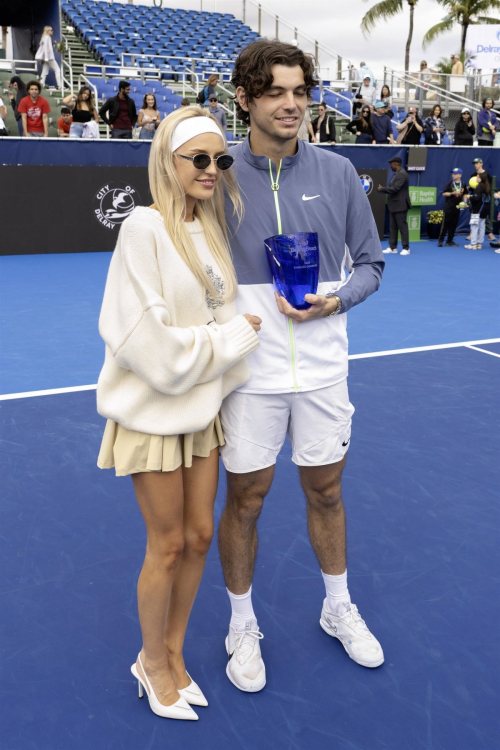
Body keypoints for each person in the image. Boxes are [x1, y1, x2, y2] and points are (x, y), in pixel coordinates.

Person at [217, 39, 385, 694]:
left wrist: (335, 299)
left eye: (299, 91)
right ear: (245, 98)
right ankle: (240, 622)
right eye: (274, 92)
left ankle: (336, 605)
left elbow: (372, 266)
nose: (291, 104)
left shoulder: (340, 173)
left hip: (322, 372)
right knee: (247, 500)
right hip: (247, 377)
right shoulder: (219, 172)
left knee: (326, 492)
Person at [96, 107, 261, 719]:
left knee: (197, 538)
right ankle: (150, 660)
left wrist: (229, 336)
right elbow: (149, 345)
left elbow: (221, 314)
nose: (213, 170)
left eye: (222, 160)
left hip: (201, 414)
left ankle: (173, 650)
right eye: (200, 159)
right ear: (169, 162)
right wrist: (231, 341)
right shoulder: (144, 227)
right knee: (165, 545)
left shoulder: (209, 228)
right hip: (153, 417)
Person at [378, 156, 411, 255]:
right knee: (392, 227)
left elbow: (396, 188)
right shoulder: (397, 174)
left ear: (396, 164)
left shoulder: (402, 174)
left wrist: (382, 189)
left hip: (400, 205)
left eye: (391, 164)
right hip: (394, 205)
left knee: (402, 227)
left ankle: (406, 248)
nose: (390, 166)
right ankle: (393, 247)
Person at [438, 167, 467, 247]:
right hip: (448, 207)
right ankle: (440, 240)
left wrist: (465, 202)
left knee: (453, 225)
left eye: (455, 174)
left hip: (457, 208)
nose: (453, 175)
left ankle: (449, 241)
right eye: (452, 174)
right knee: (445, 225)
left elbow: (465, 194)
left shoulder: (463, 184)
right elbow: (444, 193)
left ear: (460, 175)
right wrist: (452, 193)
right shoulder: (450, 184)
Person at [470, 158, 495, 240]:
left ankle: (489, 233)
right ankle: (472, 234)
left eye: (477, 163)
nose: (475, 165)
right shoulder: (473, 175)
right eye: (474, 163)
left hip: (483, 200)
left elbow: (489, 187)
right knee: (473, 217)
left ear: (481, 163)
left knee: (483, 218)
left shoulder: (486, 175)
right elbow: (471, 187)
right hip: (474, 199)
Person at [465, 174, 490, 250]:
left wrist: (470, 197)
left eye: (478, 177)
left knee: (474, 226)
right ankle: (479, 244)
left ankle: (473, 244)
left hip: (478, 209)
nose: (476, 178)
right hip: (485, 209)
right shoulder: (487, 187)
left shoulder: (479, 186)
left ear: (482, 178)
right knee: (482, 226)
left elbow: (476, 198)